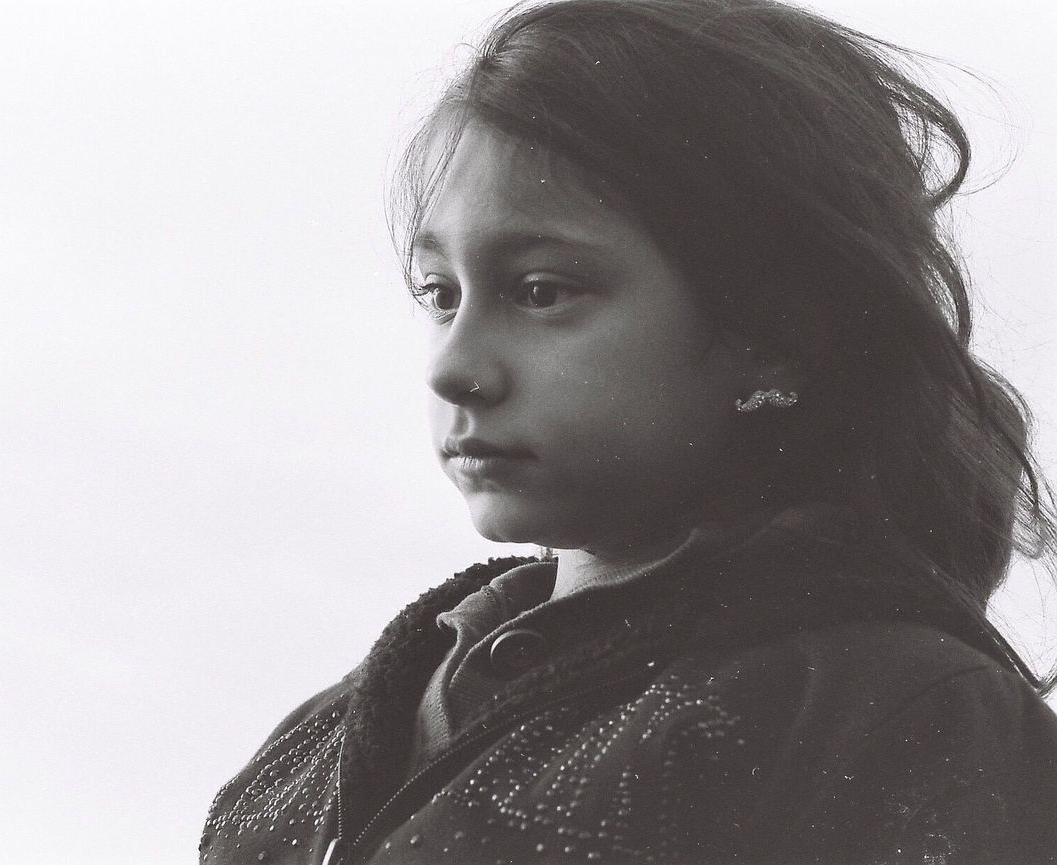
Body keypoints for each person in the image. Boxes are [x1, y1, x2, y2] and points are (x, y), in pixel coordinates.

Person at [198, 0, 1057, 862]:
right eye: (440, 293)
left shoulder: (899, 719)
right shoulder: (325, 731)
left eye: (541, 290)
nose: (454, 368)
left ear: (773, 340)